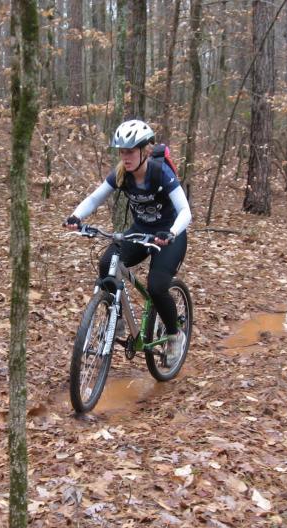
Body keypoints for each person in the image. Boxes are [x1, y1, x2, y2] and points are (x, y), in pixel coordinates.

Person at [64, 119, 192, 365]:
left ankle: (175, 335)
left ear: (144, 151)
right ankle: (117, 320)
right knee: (107, 263)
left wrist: (172, 232)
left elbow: (185, 211)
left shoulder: (160, 172)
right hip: (140, 231)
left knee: (156, 286)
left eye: (130, 151)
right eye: (122, 151)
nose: (126, 156)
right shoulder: (122, 174)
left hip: (169, 234)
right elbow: (94, 199)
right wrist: (76, 216)